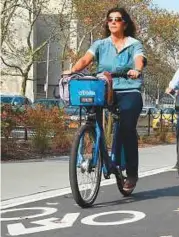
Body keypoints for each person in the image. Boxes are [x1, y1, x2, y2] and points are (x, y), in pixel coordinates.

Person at [63, 7, 146, 192]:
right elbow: (85, 59)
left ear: (125, 23)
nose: (113, 22)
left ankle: (131, 173)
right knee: (91, 113)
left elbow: (139, 59)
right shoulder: (100, 44)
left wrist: (137, 70)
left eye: (118, 19)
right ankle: (95, 142)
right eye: (110, 19)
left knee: (126, 128)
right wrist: (73, 70)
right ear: (107, 23)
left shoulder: (134, 44)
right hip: (104, 88)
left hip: (128, 90)